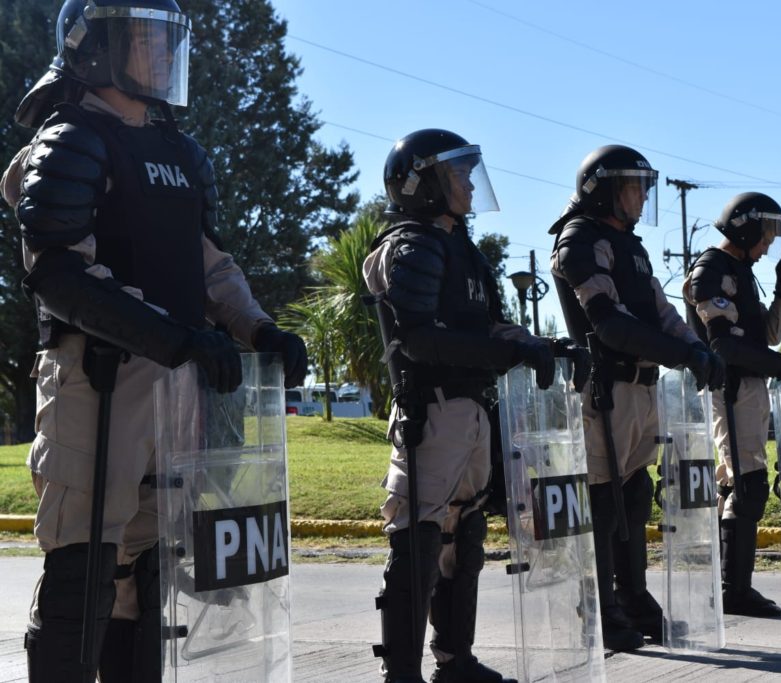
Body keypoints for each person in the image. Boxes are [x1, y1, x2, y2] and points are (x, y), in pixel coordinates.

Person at [1, 1, 308, 680]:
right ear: (97, 46)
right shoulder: (71, 139)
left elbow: (210, 264)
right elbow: (60, 272)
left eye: (170, 39)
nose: (164, 53)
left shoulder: (178, 151)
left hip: (175, 382)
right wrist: (172, 335)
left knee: (150, 567)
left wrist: (258, 327)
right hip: (97, 379)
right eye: (147, 38)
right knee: (83, 563)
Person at [364, 128, 573, 683]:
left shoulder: (463, 248)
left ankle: (455, 661)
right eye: (457, 175)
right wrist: (505, 348)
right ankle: (402, 672)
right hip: (431, 411)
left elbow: (486, 324)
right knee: (419, 538)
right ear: (423, 182)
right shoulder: (411, 245)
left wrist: (535, 344)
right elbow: (418, 338)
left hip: (473, 408)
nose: (469, 185)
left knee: (465, 537)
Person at [549, 144, 722, 651]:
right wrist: (677, 353)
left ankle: (635, 599)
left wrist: (696, 348)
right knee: (604, 505)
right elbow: (608, 321)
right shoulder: (580, 240)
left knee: (633, 497)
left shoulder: (633, 246)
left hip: (642, 387)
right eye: (633, 187)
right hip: (604, 388)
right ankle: (600, 609)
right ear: (604, 188)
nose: (642, 197)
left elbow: (658, 309)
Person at [683, 192, 781, 616]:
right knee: (747, 485)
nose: (770, 243)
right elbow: (723, 344)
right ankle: (734, 590)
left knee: (739, 483)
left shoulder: (740, 271)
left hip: (751, 390)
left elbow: (768, 336)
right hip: (732, 388)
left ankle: (732, 587)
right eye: (767, 232)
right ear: (746, 226)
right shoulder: (711, 269)